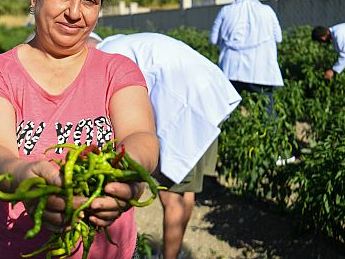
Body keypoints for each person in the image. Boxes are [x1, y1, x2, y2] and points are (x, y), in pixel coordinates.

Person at [0, 0, 159, 259]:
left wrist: (126, 177)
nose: (74, 12)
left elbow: (140, 135)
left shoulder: (117, 70)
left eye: (89, 0)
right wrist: (23, 178)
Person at [93, 32, 241, 259]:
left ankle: (169, 255)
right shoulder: (119, 42)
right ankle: (176, 249)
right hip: (206, 94)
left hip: (185, 106)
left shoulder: (104, 55)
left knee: (170, 196)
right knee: (185, 190)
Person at [209, 0, 283, 108]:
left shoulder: (226, 10)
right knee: (266, 107)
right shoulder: (267, 10)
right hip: (261, 69)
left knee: (228, 108)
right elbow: (278, 38)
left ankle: (231, 127)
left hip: (231, 68)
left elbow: (213, 39)